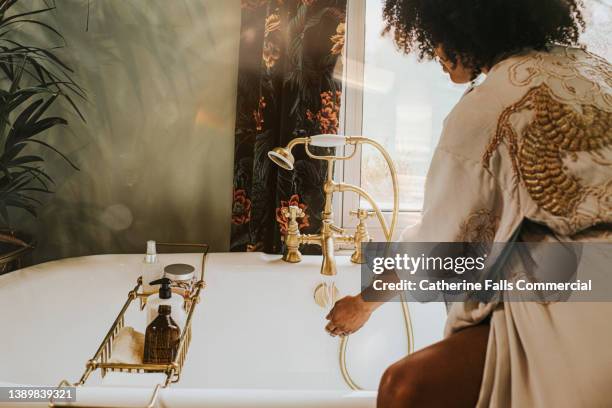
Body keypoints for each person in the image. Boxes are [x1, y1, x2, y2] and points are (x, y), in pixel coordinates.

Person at [324, 0, 612, 406]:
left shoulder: (485, 109)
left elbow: (438, 251)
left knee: (402, 389)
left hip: (579, 308)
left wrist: (363, 303)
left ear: (462, 25)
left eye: (436, 38)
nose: (435, 53)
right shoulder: (597, 73)